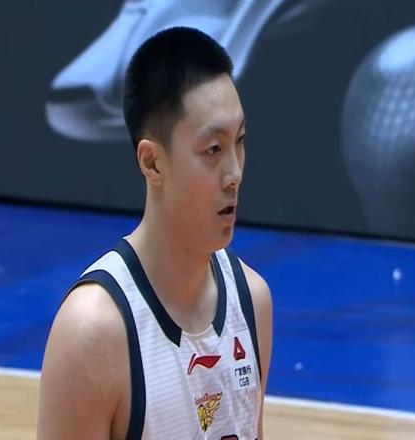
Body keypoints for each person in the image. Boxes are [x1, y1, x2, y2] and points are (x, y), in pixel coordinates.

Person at [37, 27, 272, 439]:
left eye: (239, 141)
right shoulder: (91, 332)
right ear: (152, 162)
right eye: (213, 150)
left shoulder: (252, 301)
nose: (234, 172)